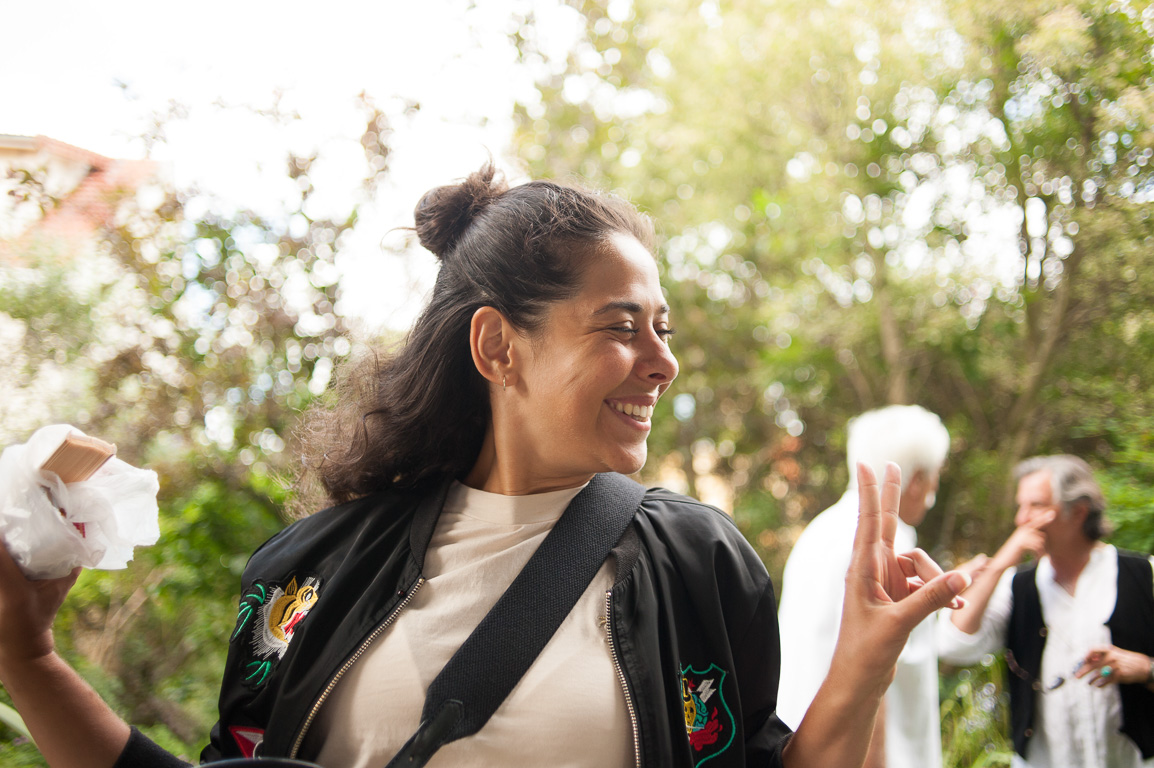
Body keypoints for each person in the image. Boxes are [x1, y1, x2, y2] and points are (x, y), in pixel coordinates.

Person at [0, 165, 970, 768]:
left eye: (661, 330)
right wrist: (30, 661)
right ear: (498, 349)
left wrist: (860, 669)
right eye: (620, 328)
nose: (661, 362)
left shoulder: (695, 563)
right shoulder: (308, 574)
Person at [938, 454, 1154, 768]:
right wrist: (999, 564)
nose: (1021, 519)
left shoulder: (1144, 574)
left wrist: (1146, 669)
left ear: (1079, 511)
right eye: (1020, 506)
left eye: (1036, 506)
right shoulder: (1016, 585)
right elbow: (953, 645)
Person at [776, 405, 952, 768]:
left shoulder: (819, 531)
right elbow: (873, 672)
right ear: (918, 480)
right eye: (935, 476)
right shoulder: (887, 543)